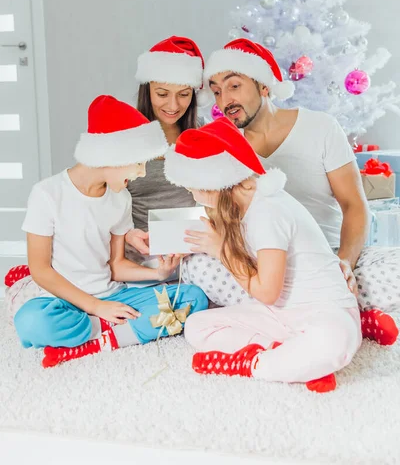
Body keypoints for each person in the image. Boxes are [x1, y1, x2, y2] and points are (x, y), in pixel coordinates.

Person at [186, 37, 398, 345]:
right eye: (216, 91)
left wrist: (345, 263)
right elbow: (226, 219)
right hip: (266, 268)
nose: (224, 100)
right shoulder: (228, 149)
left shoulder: (321, 128)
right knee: (197, 267)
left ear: (264, 86)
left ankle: (295, 317)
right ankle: (346, 316)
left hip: (326, 257)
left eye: (234, 86)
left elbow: (354, 206)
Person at [5, 95, 208, 367]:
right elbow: (40, 270)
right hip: (64, 300)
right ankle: (114, 331)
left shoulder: (120, 198)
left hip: (114, 294)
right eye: (138, 163)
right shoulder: (47, 194)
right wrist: (95, 307)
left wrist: (158, 274)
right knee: (30, 321)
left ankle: (96, 341)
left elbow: (116, 265)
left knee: (192, 298)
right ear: (112, 154)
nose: (141, 173)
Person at [164, 117, 362, 393]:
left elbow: (266, 292)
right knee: (196, 327)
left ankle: (253, 364)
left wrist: (220, 250)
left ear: (213, 183)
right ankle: (295, 359)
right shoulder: (243, 204)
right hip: (281, 316)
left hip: (323, 311)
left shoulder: (267, 211)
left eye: (192, 187)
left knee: (332, 342)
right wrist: (168, 241)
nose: (192, 194)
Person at [124, 35, 207, 277]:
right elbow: (101, 203)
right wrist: (128, 235)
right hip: (141, 253)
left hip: (194, 253)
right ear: (147, 89)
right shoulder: (127, 135)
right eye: (162, 94)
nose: (173, 105)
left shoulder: (203, 132)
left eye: (183, 94)